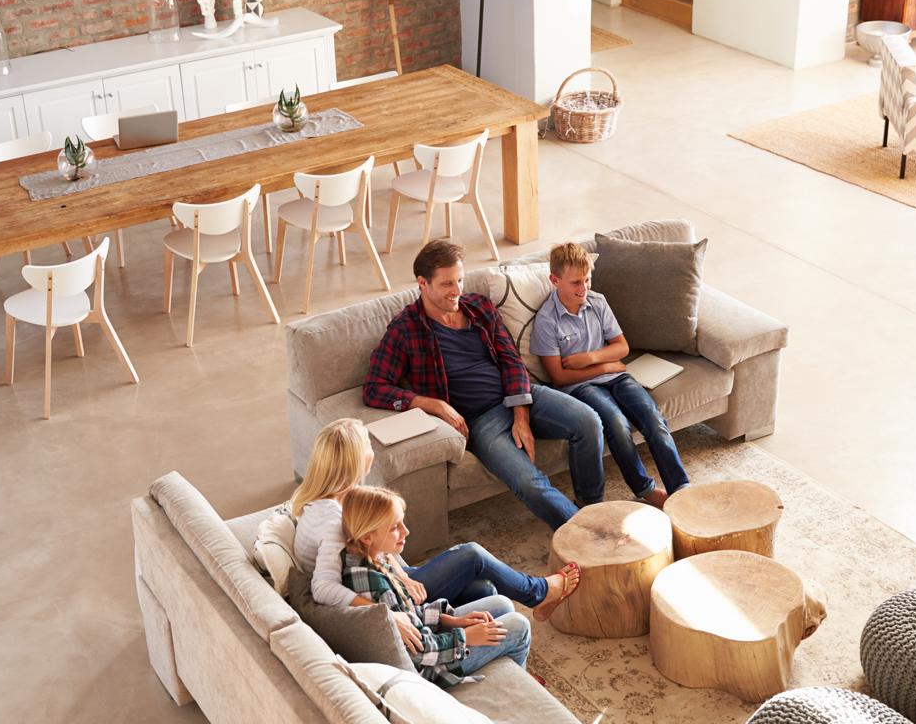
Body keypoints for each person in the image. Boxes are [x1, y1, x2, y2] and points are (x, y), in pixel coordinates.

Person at [363, 239, 608, 526]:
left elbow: (511, 360)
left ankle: (592, 506)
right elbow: (374, 388)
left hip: (521, 396)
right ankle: (584, 531)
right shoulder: (405, 329)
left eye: (460, 280)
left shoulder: (479, 307)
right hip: (481, 422)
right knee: (528, 481)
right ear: (422, 283)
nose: (457, 291)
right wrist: (433, 404)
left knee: (589, 422)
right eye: (446, 284)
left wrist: (521, 413)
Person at [291, 418, 581, 620]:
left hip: (390, 578)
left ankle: (499, 631)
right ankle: (539, 593)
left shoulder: (338, 497)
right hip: (384, 595)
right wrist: (388, 613)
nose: (372, 451)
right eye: (367, 445)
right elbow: (323, 587)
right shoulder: (332, 519)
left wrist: (402, 574)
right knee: (472, 555)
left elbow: (372, 551)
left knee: (485, 590)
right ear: (354, 460)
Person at [529, 242, 690, 508]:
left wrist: (589, 359)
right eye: (575, 283)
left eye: (587, 280)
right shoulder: (547, 320)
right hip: (580, 387)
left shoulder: (598, 302)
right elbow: (558, 376)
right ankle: (645, 489)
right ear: (554, 280)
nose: (583, 289)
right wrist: (605, 365)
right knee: (616, 424)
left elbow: (622, 347)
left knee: (653, 419)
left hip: (617, 378)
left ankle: (681, 489)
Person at [341, 486, 533, 687]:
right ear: (366, 536)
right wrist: (465, 637)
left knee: (502, 604)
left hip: (430, 638)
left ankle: (504, 667)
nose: (406, 531)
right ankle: (519, 686)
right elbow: (417, 653)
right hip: (430, 670)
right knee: (519, 626)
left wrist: (451, 620)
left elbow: (409, 614)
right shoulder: (375, 586)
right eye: (394, 527)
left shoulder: (370, 556)